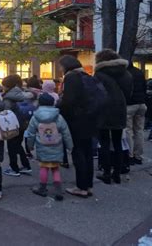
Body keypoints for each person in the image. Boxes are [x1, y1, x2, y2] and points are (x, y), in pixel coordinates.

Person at [57, 55, 97, 197]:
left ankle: (81, 187)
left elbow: (69, 101)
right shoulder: (84, 75)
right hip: (89, 119)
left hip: (77, 121)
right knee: (87, 153)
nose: (60, 68)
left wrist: (59, 106)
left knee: (78, 153)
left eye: (61, 65)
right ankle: (88, 185)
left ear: (66, 65)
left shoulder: (71, 77)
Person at [94, 49, 133, 185]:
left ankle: (106, 172)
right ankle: (117, 173)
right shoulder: (126, 73)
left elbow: (96, 94)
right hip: (119, 110)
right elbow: (129, 93)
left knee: (104, 143)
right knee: (118, 143)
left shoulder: (99, 74)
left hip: (103, 111)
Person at [25, 93, 73, 201]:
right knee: (55, 168)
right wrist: (70, 146)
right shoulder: (58, 116)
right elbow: (66, 132)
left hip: (42, 146)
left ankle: (42, 188)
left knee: (44, 167)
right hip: (57, 145)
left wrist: (30, 146)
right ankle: (58, 190)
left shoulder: (35, 117)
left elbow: (31, 133)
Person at [1, 74, 32, 177]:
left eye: (4, 85)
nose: (3, 87)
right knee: (18, 145)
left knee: (11, 147)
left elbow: (6, 112)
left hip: (12, 125)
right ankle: (26, 166)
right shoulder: (21, 94)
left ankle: (14, 168)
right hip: (22, 123)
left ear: (8, 86)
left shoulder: (8, 97)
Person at [125, 63, 147, 165]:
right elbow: (144, 87)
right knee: (139, 130)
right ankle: (138, 156)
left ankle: (130, 155)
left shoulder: (125, 73)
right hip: (141, 104)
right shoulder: (139, 72)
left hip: (130, 104)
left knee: (128, 131)